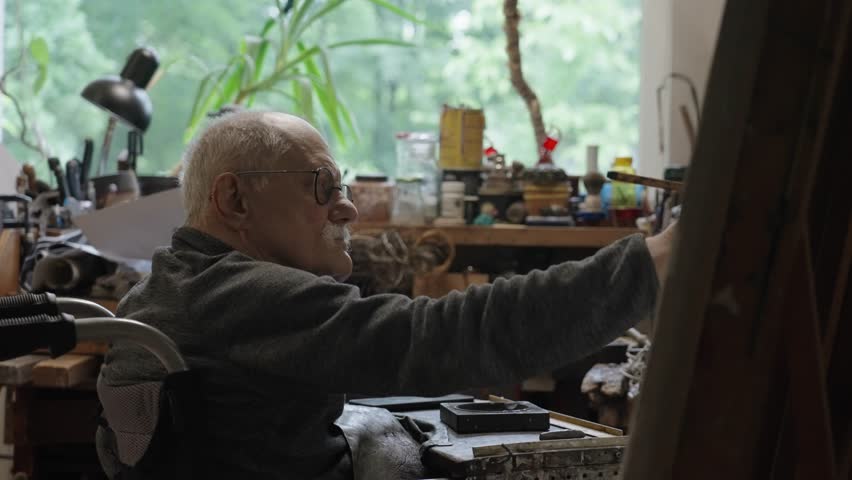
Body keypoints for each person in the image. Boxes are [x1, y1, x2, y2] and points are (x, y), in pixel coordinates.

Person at [97, 111, 674, 479]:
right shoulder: (238, 296)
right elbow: (448, 335)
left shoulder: (163, 289)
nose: (348, 208)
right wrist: (657, 261)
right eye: (323, 187)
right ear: (235, 201)